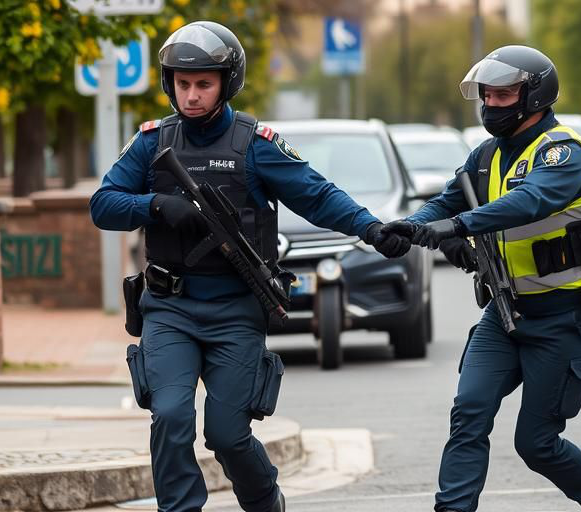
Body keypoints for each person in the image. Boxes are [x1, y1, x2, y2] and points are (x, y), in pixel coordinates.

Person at [89, 21, 409, 512]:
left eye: (204, 84)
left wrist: (370, 228)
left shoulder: (256, 143)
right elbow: (103, 204)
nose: (191, 95)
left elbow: (317, 195)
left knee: (227, 435)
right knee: (171, 417)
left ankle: (265, 502)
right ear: (169, 82)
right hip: (170, 308)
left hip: (236, 309)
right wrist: (154, 205)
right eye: (182, 83)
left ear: (227, 82)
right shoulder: (152, 142)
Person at [382, 45, 581, 512]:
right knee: (468, 413)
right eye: (486, 96)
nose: (491, 106)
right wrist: (411, 227)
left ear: (534, 96)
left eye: (502, 96)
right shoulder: (484, 156)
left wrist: (458, 228)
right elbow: (445, 203)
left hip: (564, 317)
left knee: (535, 442)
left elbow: (529, 202)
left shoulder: (566, 153)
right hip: (502, 313)